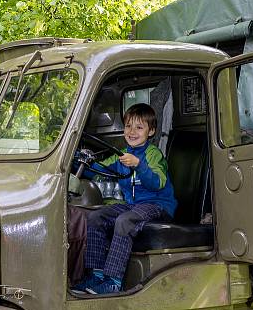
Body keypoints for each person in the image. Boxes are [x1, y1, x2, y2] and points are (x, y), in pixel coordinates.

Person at [76, 103, 177, 294]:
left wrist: (139, 165)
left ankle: (113, 280)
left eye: (139, 127)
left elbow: (158, 182)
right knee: (96, 218)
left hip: (158, 205)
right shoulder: (121, 156)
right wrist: (76, 162)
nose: (132, 131)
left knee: (124, 221)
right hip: (134, 205)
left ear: (151, 131)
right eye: (129, 126)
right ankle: (95, 276)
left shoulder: (152, 154)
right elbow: (100, 170)